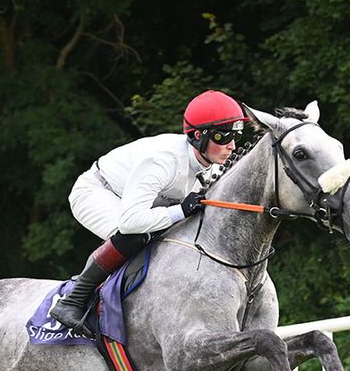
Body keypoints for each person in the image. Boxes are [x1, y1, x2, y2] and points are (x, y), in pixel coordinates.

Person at [49, 89, 248, 332]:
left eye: (235, 137)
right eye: (222, 137)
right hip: (98, 192)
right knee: (137, 236)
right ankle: (74, 300)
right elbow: (131, 222)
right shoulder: (163, 160)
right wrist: (181, 211)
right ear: (198, 136)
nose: (231, 146)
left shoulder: (209, 164)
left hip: (139, 202)